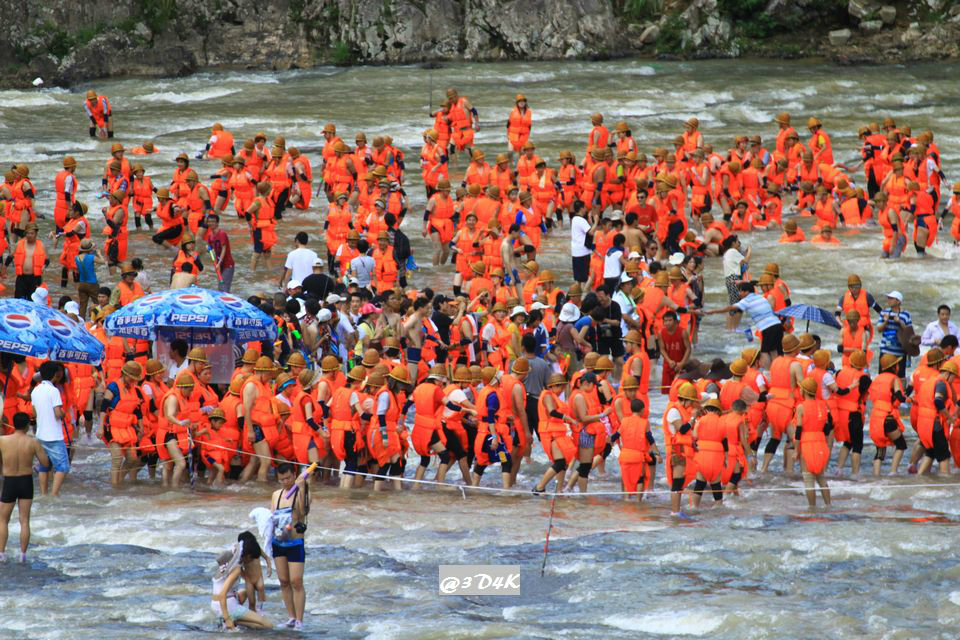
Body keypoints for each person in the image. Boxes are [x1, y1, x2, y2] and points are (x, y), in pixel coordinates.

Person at [0, 412, 50, 562]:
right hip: (26, 481)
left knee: (3, 520)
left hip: (9, 481)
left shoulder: (2, 440)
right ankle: (23, 555)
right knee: (24, 520)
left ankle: (1, 553)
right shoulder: (33, 442)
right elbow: (45, 464)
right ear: (28, 425)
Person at [704, 282, 783, 367]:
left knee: (764, 352)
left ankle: (766, 372)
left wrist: (713, 311)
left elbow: (730, 308)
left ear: (746, 292)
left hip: (768, 328)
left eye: (740, 291)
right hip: (778, 325)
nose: (739, 293)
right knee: (775, 351)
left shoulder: (746, 301)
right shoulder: (761, 297)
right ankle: (779, 369)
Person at [270, 463, 309, 630]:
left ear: (294, 475)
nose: (285, 482)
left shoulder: (303, 491)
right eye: (281, 479)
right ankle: (291, 617)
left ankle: (300, 620)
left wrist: (301, 488)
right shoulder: (276, 495)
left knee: (296, 581)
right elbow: (271, 517)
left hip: (295, 542)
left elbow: (303, 512)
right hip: (278, 542)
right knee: (284, 581)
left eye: (288, 478)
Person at [211, 544, 272, 631]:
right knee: (268, 625)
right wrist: (228, 618)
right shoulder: (236, 569)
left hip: (215, 605)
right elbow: (222, 595)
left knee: (245, 592)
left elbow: (248, 580)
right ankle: (232, 621)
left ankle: (230, 619)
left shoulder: (225, 568)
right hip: (228, 605)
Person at [32, 362, 69, 497]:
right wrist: (64, 413)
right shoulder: (54, 391)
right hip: (54, 436)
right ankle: (54, 494)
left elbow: (34, 413)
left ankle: (43, 494)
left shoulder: (36, 390)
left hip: (40, 434)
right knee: (63, 467)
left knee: (44, 466)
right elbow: (58, 413)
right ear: (56, 374)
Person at [877, 290, 912, 379]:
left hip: (900, 352)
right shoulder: (884, 312)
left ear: (898, 301)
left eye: (891, 299)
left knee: (899, 378)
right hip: (886, 350)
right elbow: (879, 329)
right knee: (882, 377)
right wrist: (885, 321)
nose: (889, 300)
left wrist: (899, 322)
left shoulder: (906, 314)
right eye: (888, 298)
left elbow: (909, 331)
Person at [204, 214, 235, 292]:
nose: (211, 223)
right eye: (209, 222)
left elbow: (224, 249)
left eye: (213, 222)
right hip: (219, 264)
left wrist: (219, 263)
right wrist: (207, 248)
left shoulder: (222, 234)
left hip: (228, 264)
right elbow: (210, 247)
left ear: (217, 223)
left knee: (224, 287)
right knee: (221, 286)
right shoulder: (210, 235)